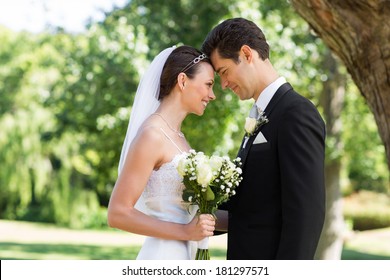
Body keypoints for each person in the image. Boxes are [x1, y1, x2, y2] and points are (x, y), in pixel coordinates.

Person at [201, 18, 326, 260]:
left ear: (246, 54)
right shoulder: (261, 114)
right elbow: (251, 205)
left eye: (224, 72)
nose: (224, 85)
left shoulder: (296, 113)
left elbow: (306, 214)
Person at [107, 45, 216, 260]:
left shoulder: (179, 138)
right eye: (209, 85)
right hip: (162, 256)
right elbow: (117, 213)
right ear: (183, 81)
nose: (212, 95)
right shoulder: (152, 135)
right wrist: (185, 232)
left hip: (185, 255)